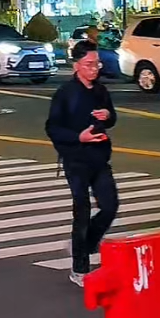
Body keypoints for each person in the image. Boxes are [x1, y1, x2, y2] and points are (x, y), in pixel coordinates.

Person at [45, 39, 119, 287]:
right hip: (75, 159)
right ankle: (80, 268)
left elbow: (111, 116)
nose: (94, 68)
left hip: (99, 157)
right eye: (89, 64)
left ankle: (85, 245)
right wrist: (79, 137)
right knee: (82, 211)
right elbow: (52, 128)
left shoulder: (100, 90)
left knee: (109, 206)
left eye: (96, 63)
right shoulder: (65, 94)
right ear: (77, 66)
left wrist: (108, 116)